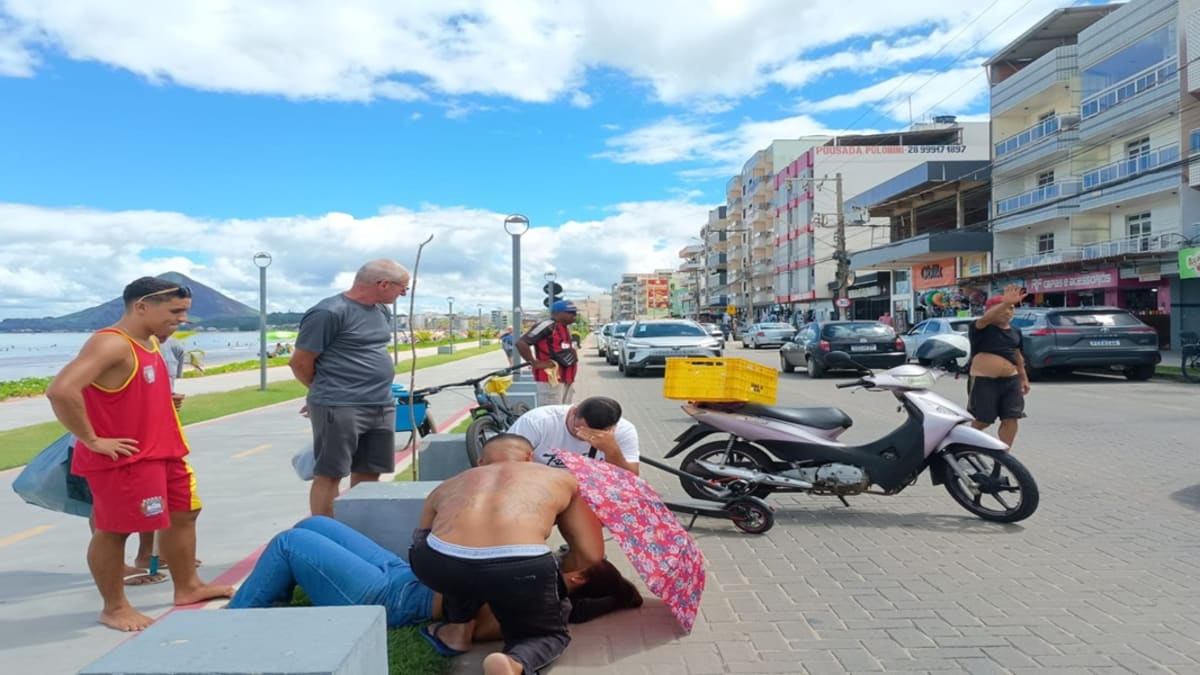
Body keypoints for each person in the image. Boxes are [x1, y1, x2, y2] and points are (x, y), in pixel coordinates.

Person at [46, 277, 234, 632]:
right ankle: (114, 607)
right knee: (114, 530)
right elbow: (61, 390)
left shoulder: (147, 342)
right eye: (175, 311)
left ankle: (188, 587)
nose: (181, 319)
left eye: (184, 312)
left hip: (163, 451)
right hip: (127, 459)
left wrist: (162, 401)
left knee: (185, 513)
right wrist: (92, 439)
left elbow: (124, 391)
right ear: (142, 306)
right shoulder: (110, 344)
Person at [226, 513, 641, 631]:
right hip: (402, 573)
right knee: (313, 526)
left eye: (573, 554)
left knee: (289, 542)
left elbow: (483, 622)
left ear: (579, 578)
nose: (566, 549)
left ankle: (234, 625)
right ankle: (275, 593)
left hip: (391, 599)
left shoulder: (546, 599)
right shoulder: (544, 570)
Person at [409, 434, 606, 675]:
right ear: (530, 458)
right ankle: (513, 662)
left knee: (462, 565)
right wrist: (551, 580)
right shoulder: (562, 479)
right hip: (521, 565)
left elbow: (421, 538)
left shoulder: (450, 483)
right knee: (546, 633)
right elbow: (590, 554)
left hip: (439, 563)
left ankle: (457, 630)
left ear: (481, 462)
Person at [290, 259, 411, 517]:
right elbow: (300, 362)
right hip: (340, 405)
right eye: (403, 288)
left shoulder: (380, 310)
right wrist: (321, 392)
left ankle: (359, 527)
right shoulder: (329, 312)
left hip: (380, 403)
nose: (404, 293)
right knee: (330, 473)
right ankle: (326, 532)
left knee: (369, 471)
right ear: (383, 284)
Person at [507, 396, 639, 475]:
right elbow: (506, 463)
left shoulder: (624, 430)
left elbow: (631, 477)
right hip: (540, 481)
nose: (583, 436)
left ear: (613, 428)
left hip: (588, 489)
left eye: (594, 435)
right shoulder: (538, 421)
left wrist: (611, 450)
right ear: (574, 411)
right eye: (578, 429)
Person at [968, 284, 1031, 448]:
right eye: (1003, 308)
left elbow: (1018, 356)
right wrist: (1004, 302)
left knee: (1011, 418)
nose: (1007, 311)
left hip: (1011, 381)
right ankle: (965, 448)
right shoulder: (981, 327)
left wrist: (1023, 378)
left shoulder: (1016, 331)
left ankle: (1003, 456)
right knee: (983, 420)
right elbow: (986, 318)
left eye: (1011, 308)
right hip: (984, 381)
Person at [516, 300, 579, 406]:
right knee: (551, 415)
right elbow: (521, 343)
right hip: (550, 381)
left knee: (564, 414)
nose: (574, 315)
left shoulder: (564, 328)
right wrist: (535, 362)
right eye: (570, 312)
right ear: (557, 313)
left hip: (566, 380)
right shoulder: (547, 325)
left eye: (575, 312)